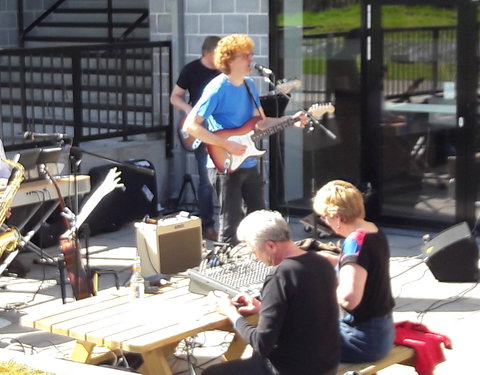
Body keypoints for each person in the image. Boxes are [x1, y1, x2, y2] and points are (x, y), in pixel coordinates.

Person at [184, 33, 308, 245]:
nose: (251, 59)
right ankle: (225, 268)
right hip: (225, 163)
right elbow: (191, 126)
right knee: (231, 225)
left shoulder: (250, 85)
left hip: (248, 161)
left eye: (251, 54)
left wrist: (290, 120)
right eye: (246, 56)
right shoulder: (217, 88)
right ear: (230, 59)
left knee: (258, 220)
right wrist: (226, 143)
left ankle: (254, 264)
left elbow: (260, 122)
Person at [204, 210, 340, 375]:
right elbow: (304, 313)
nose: (255, 257)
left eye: (254, 251)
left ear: (270, 245)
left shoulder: (280, 276)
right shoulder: (321, 262)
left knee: (211, 373)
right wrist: (263, 308)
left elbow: (261, 344)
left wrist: (232, 313)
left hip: (292, 369)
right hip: (327, 364)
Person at [312, 180, 395, 363]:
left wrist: (316, 298)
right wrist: (331, 260)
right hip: (381, 333)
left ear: (338, 218)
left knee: (289, 340)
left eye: (325, 217)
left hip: (362, 340)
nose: (324, 221)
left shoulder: (355, 242)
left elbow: (349, 298)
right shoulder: (374, 231)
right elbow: (363, 267)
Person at [170, 35, 221, 241]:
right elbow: (175, 96)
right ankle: (207, 226)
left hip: (221, 128)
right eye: (218, 54)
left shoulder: (224, 71)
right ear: (207, 53)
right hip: (200, 129)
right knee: (206, 180)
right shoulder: (191, 69)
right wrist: (190, 111)